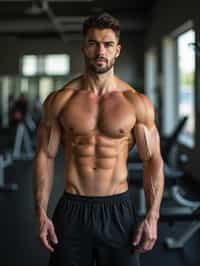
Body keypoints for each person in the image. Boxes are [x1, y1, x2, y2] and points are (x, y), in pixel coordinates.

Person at [33, 12, 164, 266]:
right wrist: (39, 211)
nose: (100, 51)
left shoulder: (136, 102)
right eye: (93, 43)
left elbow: (153, 160)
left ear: (118, 50)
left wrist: (153, 216)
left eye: (108, 44)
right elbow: (44, 156)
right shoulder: (61, 100)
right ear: (84, 47)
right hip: (72, 209)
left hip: (118, 210)